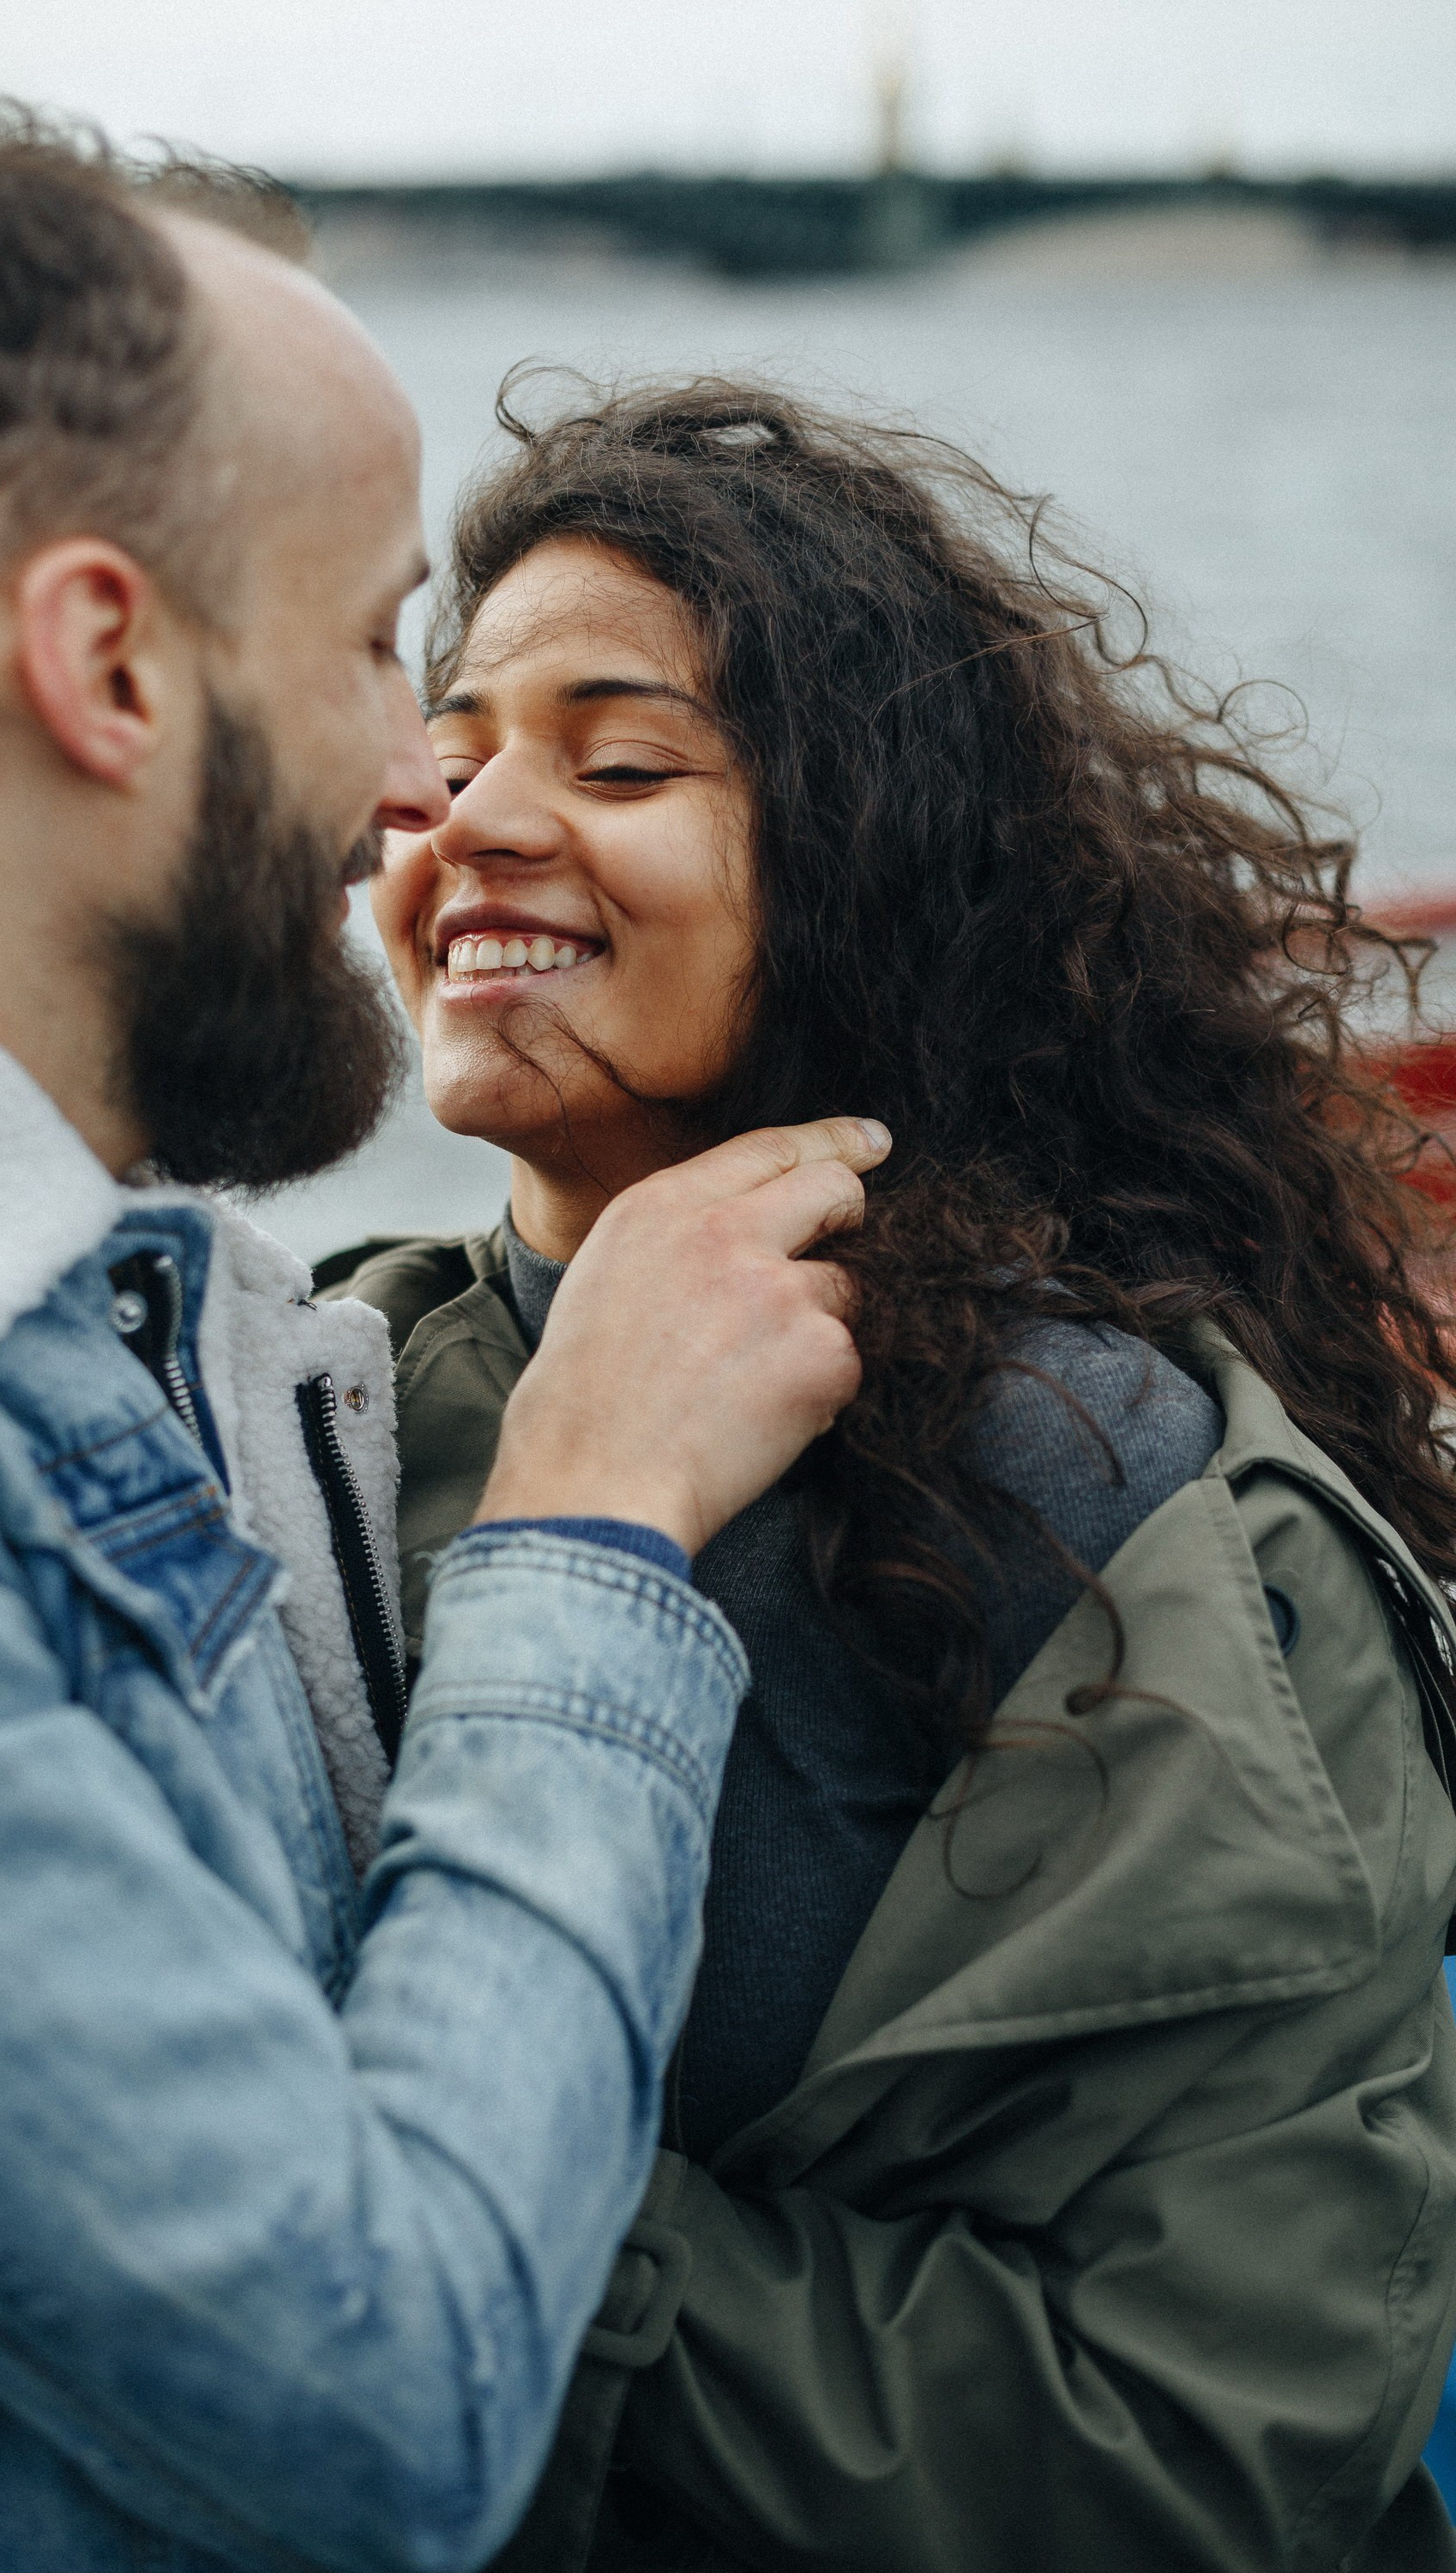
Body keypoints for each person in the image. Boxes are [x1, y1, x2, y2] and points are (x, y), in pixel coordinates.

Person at [0, 121, 891, 2573]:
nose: (417, 790)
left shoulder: (96, 1301)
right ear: (106, 659)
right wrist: (588, 1531)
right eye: (381, 639)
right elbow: (384, 2403)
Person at [336, 377, 1456, 2571]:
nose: (466, 818)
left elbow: (1194, 2435)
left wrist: (428, 2227)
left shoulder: (1114, 1495)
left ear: (864, 842)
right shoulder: (328, 1380)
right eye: (449, 752)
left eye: (620, 758)